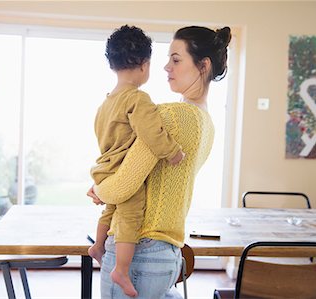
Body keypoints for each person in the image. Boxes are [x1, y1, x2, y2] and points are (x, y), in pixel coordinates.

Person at [88, 25, 232, 298]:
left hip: (139, 250)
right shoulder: (208, 124)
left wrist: (98, 189)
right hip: (168, 252)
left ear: (203, 66)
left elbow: (121, 188)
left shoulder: (171, 116)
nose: (166, 67)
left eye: (176, 60)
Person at [88, 25, 186, 298]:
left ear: (112, 64)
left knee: (110, 211)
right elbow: (152, 133)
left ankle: (97, 245)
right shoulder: (138, 99)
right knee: (130, 214)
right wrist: (173, 152)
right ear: (145, 65)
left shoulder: (105, 104)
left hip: (105, 170)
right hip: (122, 172)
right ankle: (121, 268)